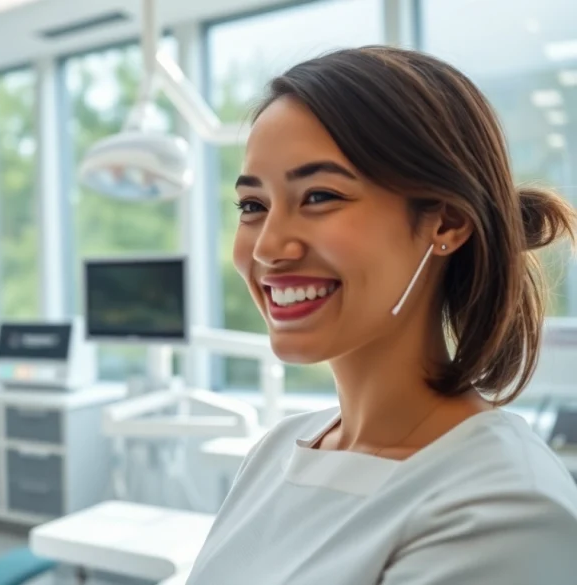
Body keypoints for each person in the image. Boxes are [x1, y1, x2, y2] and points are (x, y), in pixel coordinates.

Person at [185, 46, 577, 584]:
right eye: (253, 206)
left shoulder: (503, 513)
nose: (269, 248)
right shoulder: (276, 450)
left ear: (446, 222)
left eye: (319, 196)